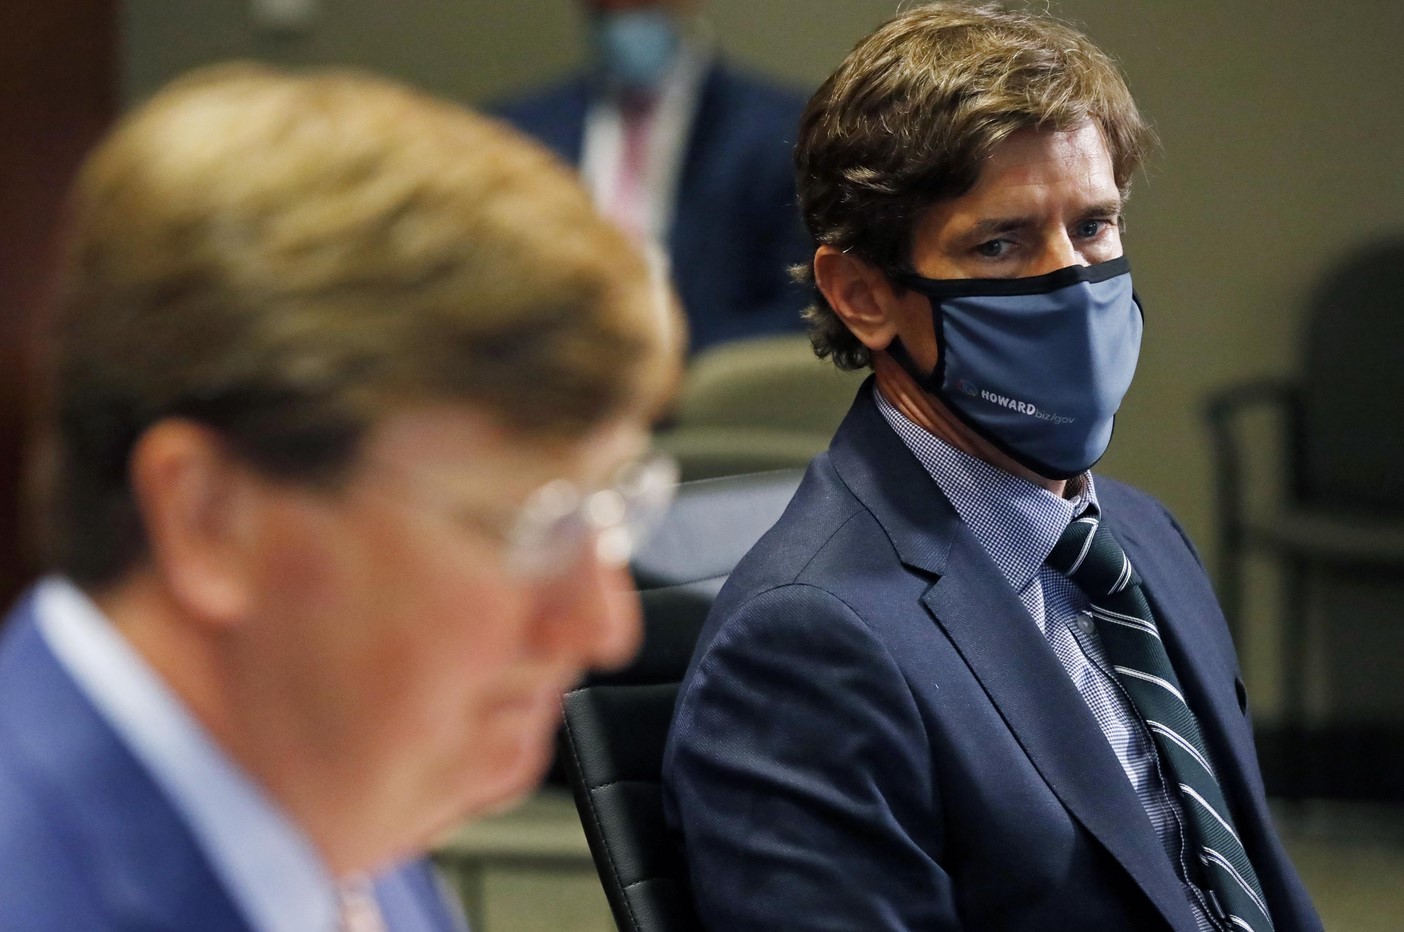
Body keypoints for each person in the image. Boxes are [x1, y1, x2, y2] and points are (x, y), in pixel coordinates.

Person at [661, 4, 1322, 930]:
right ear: (862, 294)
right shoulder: (806, 644)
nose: (1072, 282)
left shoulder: (1145, 540)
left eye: (1094, 227)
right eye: (1000, 244)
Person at [0, 62, 682, 930]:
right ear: (211, 520)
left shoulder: (333, 803)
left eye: (607, 510)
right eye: (537, 524)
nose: (604, 625)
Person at [493, 0, 811, 354]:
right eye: (606, 8)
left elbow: (800, 305)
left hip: (703, 370)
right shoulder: (518, 133)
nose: (625, 17)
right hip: (560, 368)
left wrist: (674, 357)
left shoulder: (781, 132)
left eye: (642, 4)